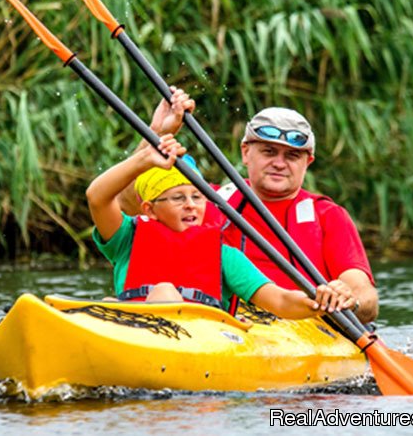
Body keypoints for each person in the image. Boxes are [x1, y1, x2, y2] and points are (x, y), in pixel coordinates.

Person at [121, 97, 378, 323]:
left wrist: (346, 299)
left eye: (292, 155)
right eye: (268, 151)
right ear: (246, 152)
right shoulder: (205, 202)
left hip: (301, 324)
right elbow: (128, 202)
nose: (279, 163)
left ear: (307, 162)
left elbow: (365, 297)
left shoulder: (328, 216)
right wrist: (156, 133)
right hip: (226, 325)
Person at [86, 134, 353, 318]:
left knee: (163, 292)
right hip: (136, 327)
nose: (191, 205)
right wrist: (142, 160)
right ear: (149, 210)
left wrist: (318, 301)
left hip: (198, 338)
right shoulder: (127, 239)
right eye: (178, 198)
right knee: (121, 302)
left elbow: (280, 300)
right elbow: (97, 197)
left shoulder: (224, 256)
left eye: (197, 197)